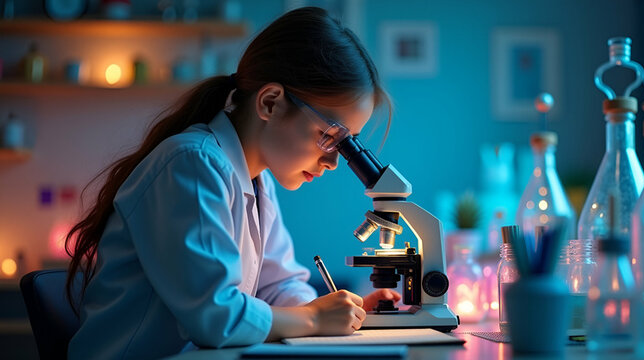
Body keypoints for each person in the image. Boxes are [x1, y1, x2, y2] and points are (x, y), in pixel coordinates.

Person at [65, 7, 400, 359]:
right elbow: (216, 317)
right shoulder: (192, 164)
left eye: (348, 145)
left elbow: (280, 286)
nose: (334, 162)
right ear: (270, 103)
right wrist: (314, 318)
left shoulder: (257, 182)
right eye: (330, 136)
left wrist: (342, 311)